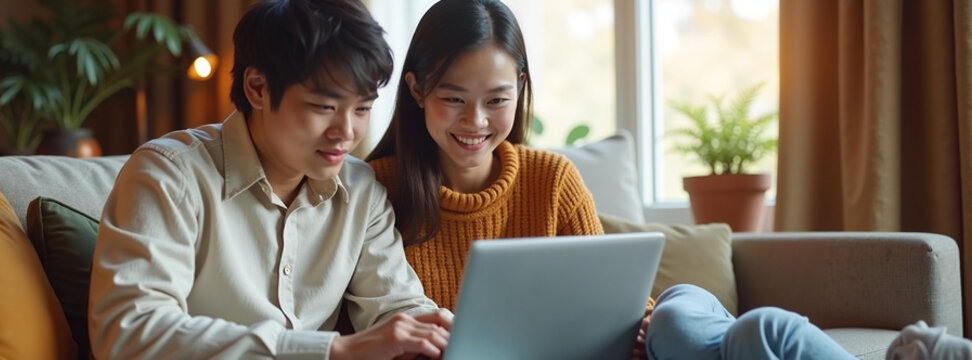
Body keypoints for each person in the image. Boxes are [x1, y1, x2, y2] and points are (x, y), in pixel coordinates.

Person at [365, 0, 855, 359]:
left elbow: (621, 301)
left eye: (496, 100)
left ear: (519, 89)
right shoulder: (371, 193)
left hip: (662, 324)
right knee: (757, 337)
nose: (475, 121)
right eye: (454, 99)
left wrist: (638, 329)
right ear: (416, 89)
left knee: (683, 324)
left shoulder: (551, 178)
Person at [87, 1, 452, 359]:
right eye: (325, 107)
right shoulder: (169, 175)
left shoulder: (360, 191)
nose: (346, 132)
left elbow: (396, 307)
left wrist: (433, 334)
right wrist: (332, 350)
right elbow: (129, 333)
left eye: (362, 109)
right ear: (257, 88)